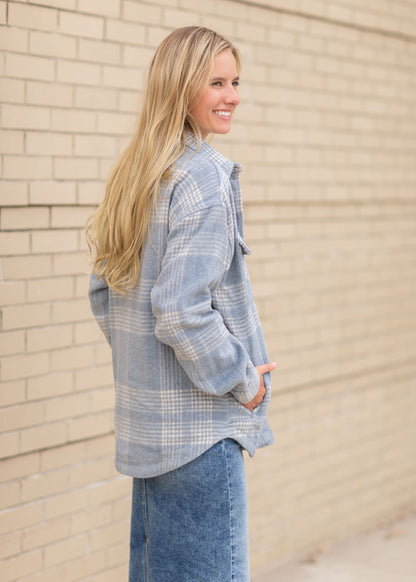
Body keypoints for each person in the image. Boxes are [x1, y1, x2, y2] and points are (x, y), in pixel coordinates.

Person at [87, 25, 276, 582]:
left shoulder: (137, 175)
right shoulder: (204, 176)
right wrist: (245, 380)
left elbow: (105, 295)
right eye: (216, 82)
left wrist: (146, 367)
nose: (233, 95)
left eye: (235, 81)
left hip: (149, 435)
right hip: (201, 437)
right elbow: (180, 311)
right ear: (179, 87)